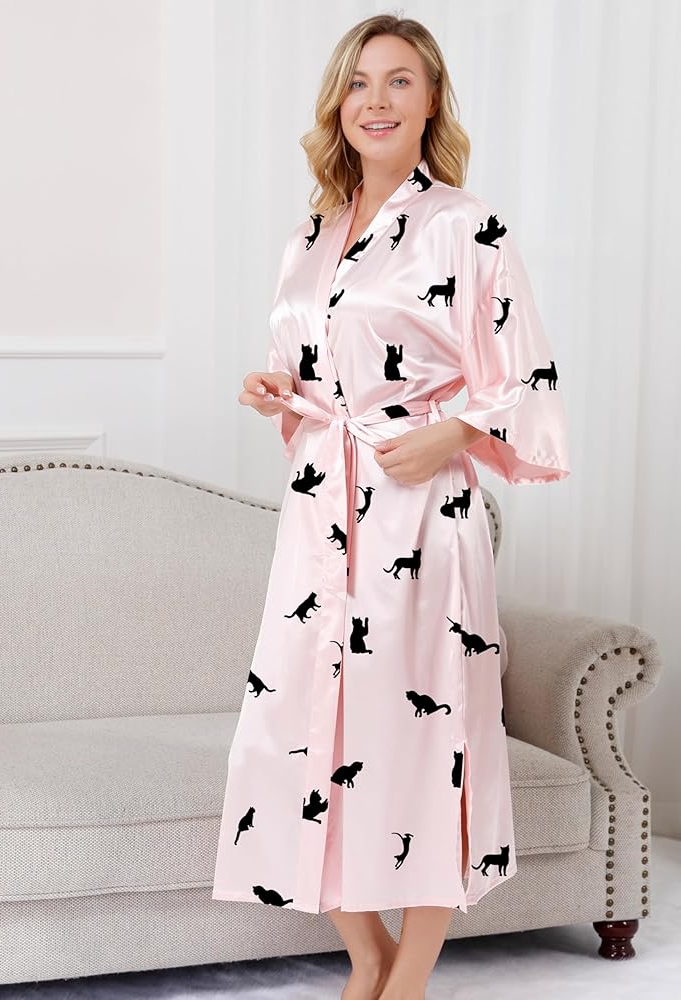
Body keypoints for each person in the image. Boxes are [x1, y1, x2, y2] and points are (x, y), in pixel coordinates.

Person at [213, 13, 570, 1000]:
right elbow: (310, 369)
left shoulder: (466, 224)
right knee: (296, 721)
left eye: (399, 81)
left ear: (431, 101)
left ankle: (408, 974)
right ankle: (364, 949)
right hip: (318, 508)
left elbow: (527, 376)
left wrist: (453, 434)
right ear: (338, 103)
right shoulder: (310, 233)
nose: (376, 100)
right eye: (359, 82)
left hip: (420, 511)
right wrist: (276, 389)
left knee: (422, 729)